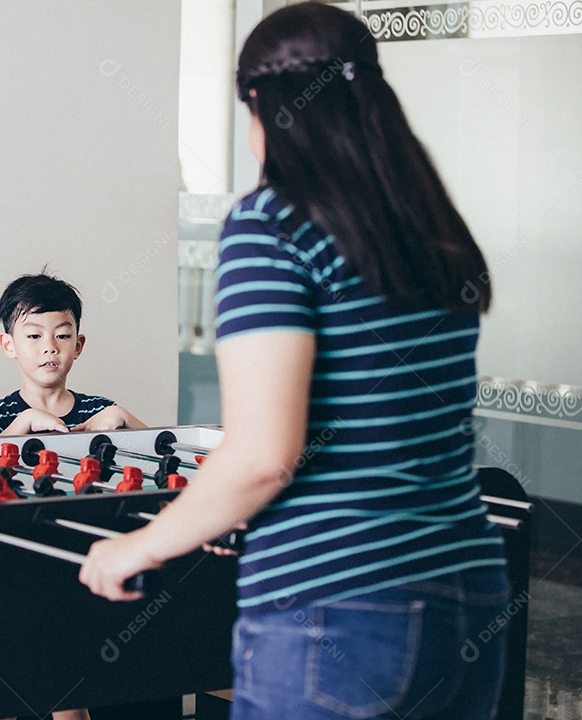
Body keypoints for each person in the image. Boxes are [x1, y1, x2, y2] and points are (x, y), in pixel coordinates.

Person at [79, 4, 509, 719]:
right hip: (468, 590)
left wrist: (139, 546)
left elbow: (262, 458)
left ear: (263, 106)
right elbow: (372, 421)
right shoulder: (427, 225)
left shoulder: (268, 226)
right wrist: (228, 514)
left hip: (343, 607)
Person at [0, 272, 145, 437]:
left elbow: (165, 460)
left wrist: (124, 416)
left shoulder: (100, 412)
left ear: (78, 346)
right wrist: (23, 422)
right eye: (34, 336)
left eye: (62, 336)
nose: (50, 347)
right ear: (9, 345)